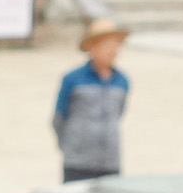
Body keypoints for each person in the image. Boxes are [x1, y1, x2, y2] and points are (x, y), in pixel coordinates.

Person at [53, 17, 131, 180]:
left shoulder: (122, 81)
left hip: (110, 161)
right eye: (107, 44)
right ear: (92, 48)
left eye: (116, 44)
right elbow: (59, 118)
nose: (113, 50)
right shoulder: (72, 79)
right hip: (78, 162)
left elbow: (119, 114)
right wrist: (71, 146)